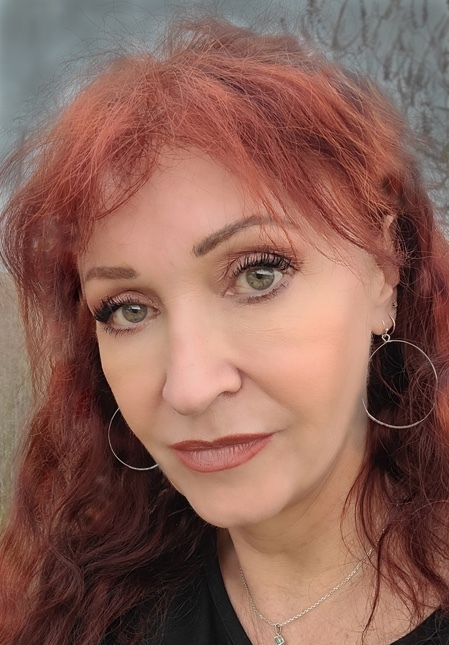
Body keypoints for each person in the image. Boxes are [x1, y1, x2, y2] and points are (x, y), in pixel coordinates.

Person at [0, 15, 449, 645]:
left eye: (259, 275)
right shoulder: (86, 615)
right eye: (128, 309)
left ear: (385, 273)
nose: (190, 388)